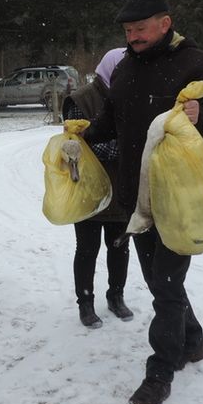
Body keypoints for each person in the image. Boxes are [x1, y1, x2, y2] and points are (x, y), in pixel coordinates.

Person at [84, 0, 203, 404]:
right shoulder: (126, 67)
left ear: (165, 24)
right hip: (135, 195)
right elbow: (111, 120)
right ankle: (194, 341)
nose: (133, 37)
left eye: (140, 29)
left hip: (177, 195)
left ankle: (160, 371)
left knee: (164, 285)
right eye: (128, 31)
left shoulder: (193, 64)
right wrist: (82, 135)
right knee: (160, 279)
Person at [61, 48, 131, 328]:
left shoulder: (130, 95)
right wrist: (128, 148)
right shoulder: (80, 99)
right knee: (87, 248)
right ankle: (85, 303)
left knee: (120, 247)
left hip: (122, 187)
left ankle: (116, 296)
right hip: (88, 190)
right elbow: (79, 146)